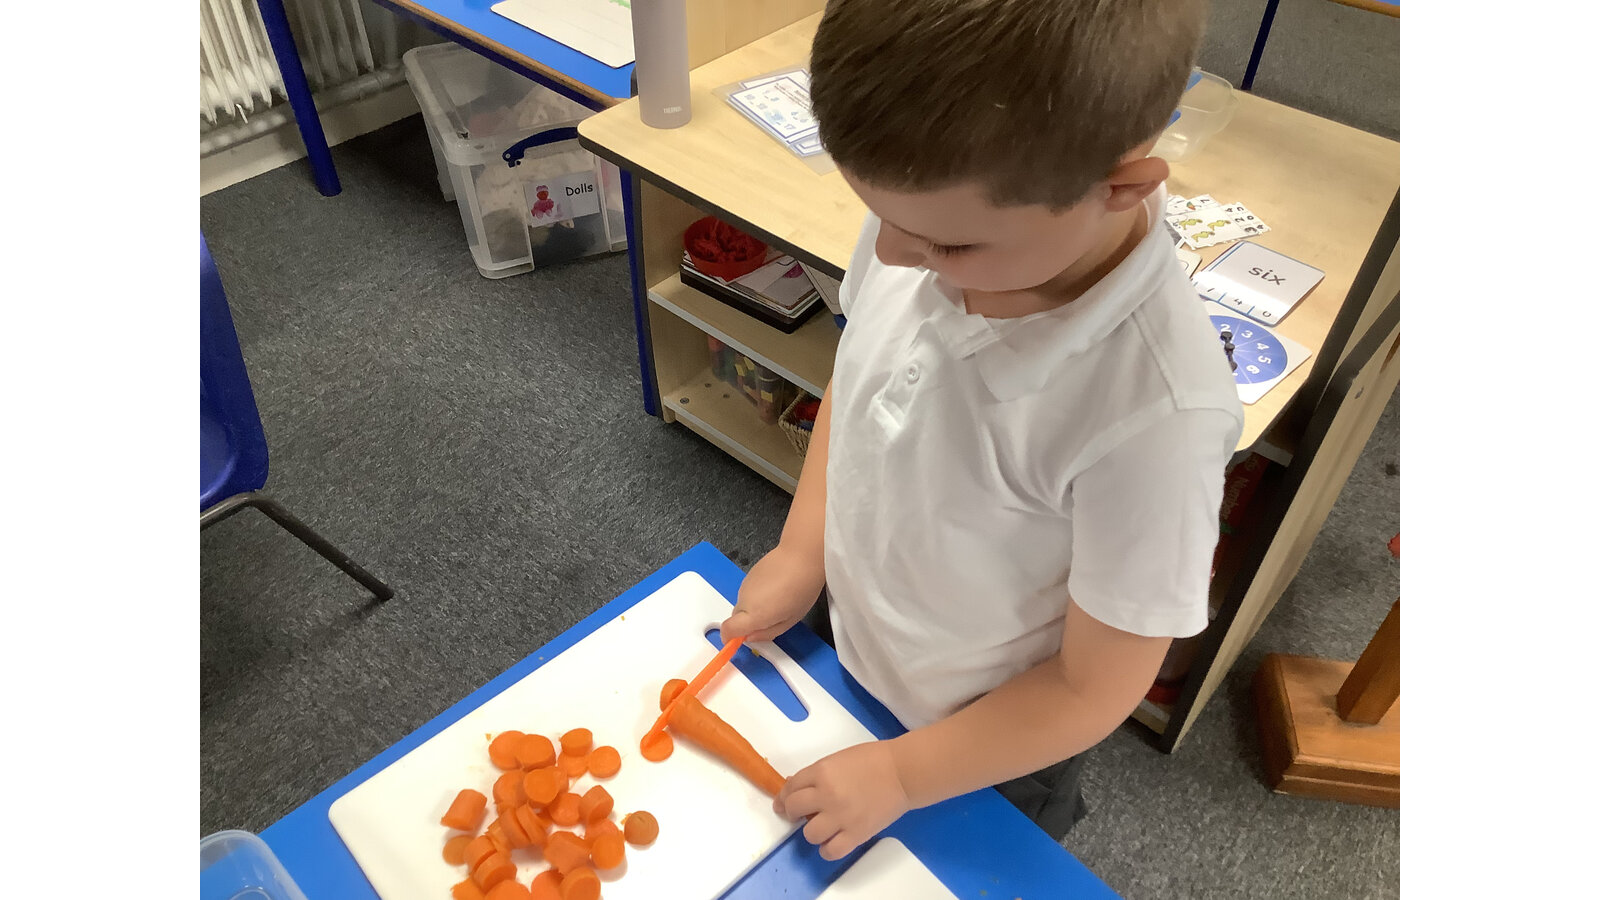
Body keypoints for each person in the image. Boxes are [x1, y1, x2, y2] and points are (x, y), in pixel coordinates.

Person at [717, 0, 1244, 858]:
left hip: (988, 749)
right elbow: (858, 384)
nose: (890, 255)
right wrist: (804, 550)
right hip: (859, 648)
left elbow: (1090, 689)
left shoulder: (1157, 417)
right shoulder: (931, 218)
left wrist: (903, 775)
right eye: (880, 215)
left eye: (947, 248)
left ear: (1122, 187)